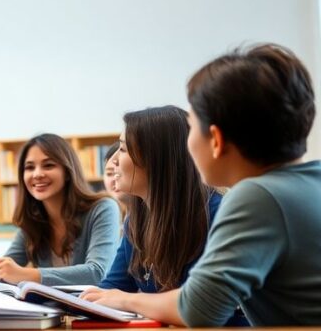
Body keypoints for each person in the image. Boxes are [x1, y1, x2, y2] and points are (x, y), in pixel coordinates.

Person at [82, 44, 321, 326]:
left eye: (192, 127)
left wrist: (123, 299)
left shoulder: (256, 197)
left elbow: (198, 311)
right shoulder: (309, 181)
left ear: (216, 140)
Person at [86, 106, 246, 325]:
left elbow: (198, 308)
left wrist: (126, 300)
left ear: (156, 158)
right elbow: (110, 291)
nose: (112, 160)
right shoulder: (136, 219)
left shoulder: (218, 215)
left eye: (122, 149)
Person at [0, 134, 120, 285]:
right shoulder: (33, 220)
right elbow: (6, 268)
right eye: (29, 167)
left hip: (96, 308)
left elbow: (97, 273)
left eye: (48, 165)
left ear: (67, 172)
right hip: (52, 309)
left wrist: (26, 274)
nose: (37, 174)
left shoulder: (103, 208)